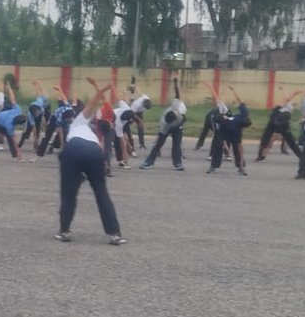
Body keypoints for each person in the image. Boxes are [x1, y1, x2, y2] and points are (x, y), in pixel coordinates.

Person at [55, 81, 125, 246]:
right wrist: (104, 89)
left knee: (68, 194)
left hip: (73, 150)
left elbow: (91, 104)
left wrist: (101, 90)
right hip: (94, 153)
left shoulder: (78, 122)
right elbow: (101, 156)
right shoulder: (97, 135)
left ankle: (64, 231)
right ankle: (114, 234)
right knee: (101, 193)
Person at [140, 78, 187, 171]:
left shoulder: (176, 108)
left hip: (178, 127)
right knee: (158, 145)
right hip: (166, 128)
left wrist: (176, 84)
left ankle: (177, 164)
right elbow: (160, 136)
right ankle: (148, 162)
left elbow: (177, 95)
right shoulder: (164, 124)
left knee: (177, 144)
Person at [207, 86, 251, 176]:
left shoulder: (237, 119)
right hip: (226, 131)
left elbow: (240, 101)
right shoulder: (242, 117)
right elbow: (241, 102)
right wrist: (234, 91)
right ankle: (240, 167)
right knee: (236, 149)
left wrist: (234, 91)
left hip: (227, 130)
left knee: (218, 146)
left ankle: (213, 166)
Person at [256, 90, 302, 161]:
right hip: (283, 125)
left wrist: (293, 94)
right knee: (291, 142)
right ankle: (302, 157)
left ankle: (260, 156)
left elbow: (286, 99)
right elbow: (286, 99)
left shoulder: (279, 108)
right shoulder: (288, 108)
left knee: (265, 139)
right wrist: (293, 93)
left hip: (273, 123)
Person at [18, 81, 50, 151]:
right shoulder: (32, 112)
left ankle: (35, 146)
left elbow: (39, 92)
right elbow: (39, 92)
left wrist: (37, 85)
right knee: (26, 132)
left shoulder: (41, 103)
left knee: (37, 131)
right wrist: (37, 85)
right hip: (33, 115)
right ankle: (20, 145)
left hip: (39, 114)